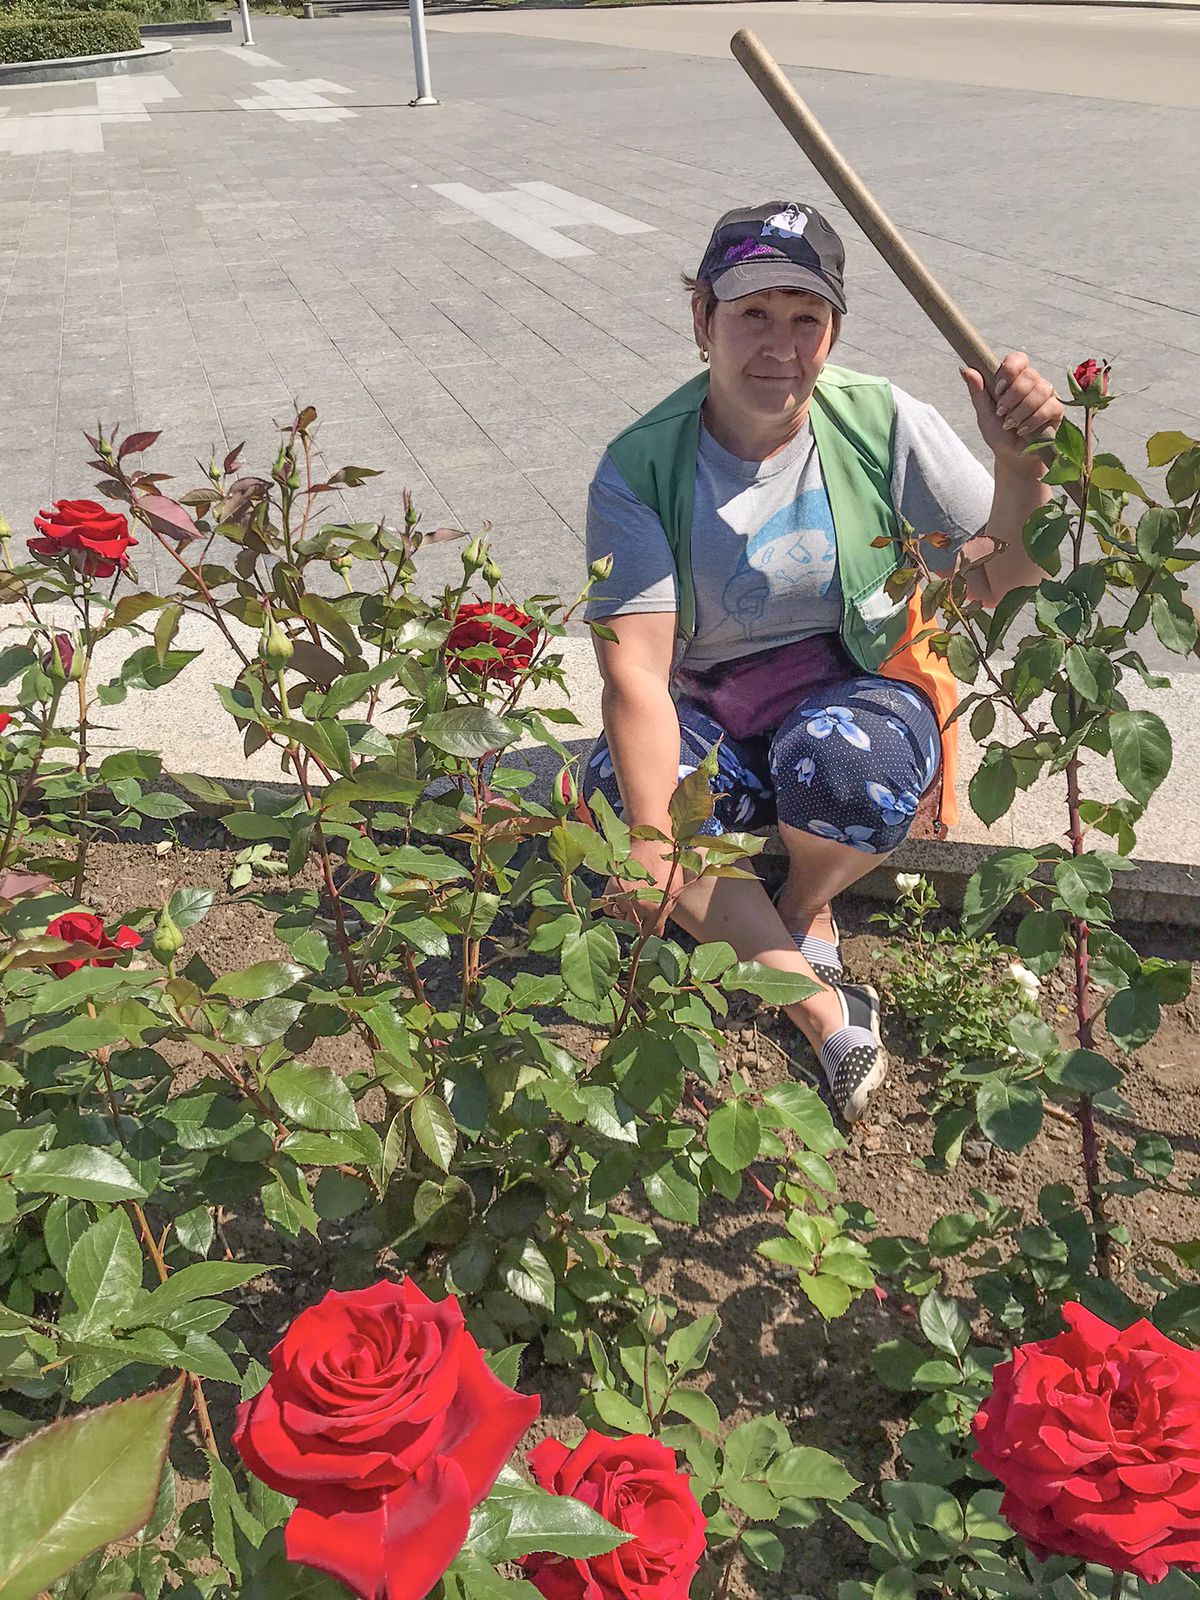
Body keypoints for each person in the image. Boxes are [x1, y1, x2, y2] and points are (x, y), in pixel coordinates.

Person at [580, 201, 1063, 1123]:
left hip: (856, 684)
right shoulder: (638, 468)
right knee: (620, 794)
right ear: (702, 319)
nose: (780, 345)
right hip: (705, 704)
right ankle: (824, 1010)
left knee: (850, 770)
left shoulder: (882, 420)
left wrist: (1020, 469)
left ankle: (801, 906)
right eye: (752, 313)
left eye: (806, 317)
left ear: (834, 330)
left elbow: (1001, 577)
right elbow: (635, 672)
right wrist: (650, 838)